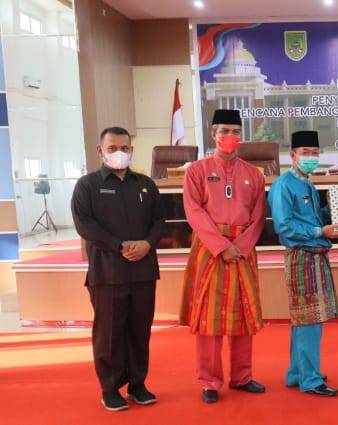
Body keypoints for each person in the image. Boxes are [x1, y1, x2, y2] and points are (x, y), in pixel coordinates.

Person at [71, 126, 164, 411]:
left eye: (124, 148)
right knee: (109, 334)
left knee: (140, 330)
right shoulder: (87, 186)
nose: (119, 153)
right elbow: (84, 224)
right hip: (108, 272)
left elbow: (159, 221)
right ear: (100, 151)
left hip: (143, 271)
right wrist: (119, 245)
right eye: (112, 148)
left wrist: (147, 243)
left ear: (131, 150)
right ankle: (110, 388)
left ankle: (137, 384)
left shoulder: (145, 184)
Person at [179, 109, 266, 404]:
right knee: (209, 318)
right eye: (224, 131)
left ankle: (242, 377)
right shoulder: (196, 171)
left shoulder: (253, 174)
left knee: (243, 314)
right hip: (209, 250)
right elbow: (194, 211)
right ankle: (209, 381)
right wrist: (220, 246)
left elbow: (258, 217)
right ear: (213, 134)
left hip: (243, 251)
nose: (230, 136)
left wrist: (240, 246)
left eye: (235, 132)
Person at [268, 130, 338, 396]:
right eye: (305, 153)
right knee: (309, 319)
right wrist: (320, 231)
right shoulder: (283, 185)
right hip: (301, 256)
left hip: (315, 256)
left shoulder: (308, 184)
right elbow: (284, 226)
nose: (311, 157)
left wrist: (336, 207)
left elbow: (313, 218)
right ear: (292, 155)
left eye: (315, 152)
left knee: (307, 319)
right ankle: (310, 379)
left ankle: (297, 373)